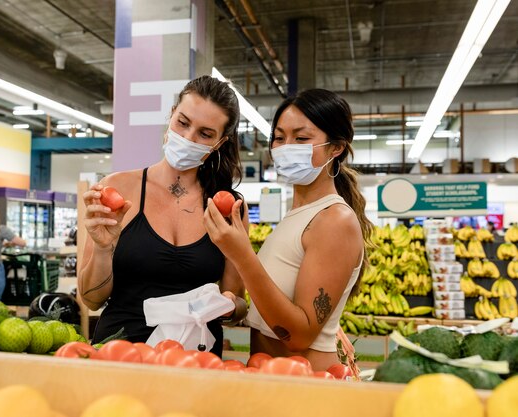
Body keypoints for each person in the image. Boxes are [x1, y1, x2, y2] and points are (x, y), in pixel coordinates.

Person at [203, 89, 372, 371]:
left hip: (307, 387)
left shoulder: (335, 220)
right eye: (279, 137)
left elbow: (300, 335)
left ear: (337, 147)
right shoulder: (298, 216)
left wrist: (242, 254)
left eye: (302, 138)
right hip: (277, 379)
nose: (285, 147)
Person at [79, 75, 248, 356]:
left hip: (194, 364)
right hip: (120, 355)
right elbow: (91, 300)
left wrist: (228, 305)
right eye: (183, 122)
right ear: (171, 116)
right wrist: (102, 248)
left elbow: (238, 303)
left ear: (219, 143)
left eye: (205, 134)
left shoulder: (227, 208)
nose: (188, 137)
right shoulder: (118, 189)